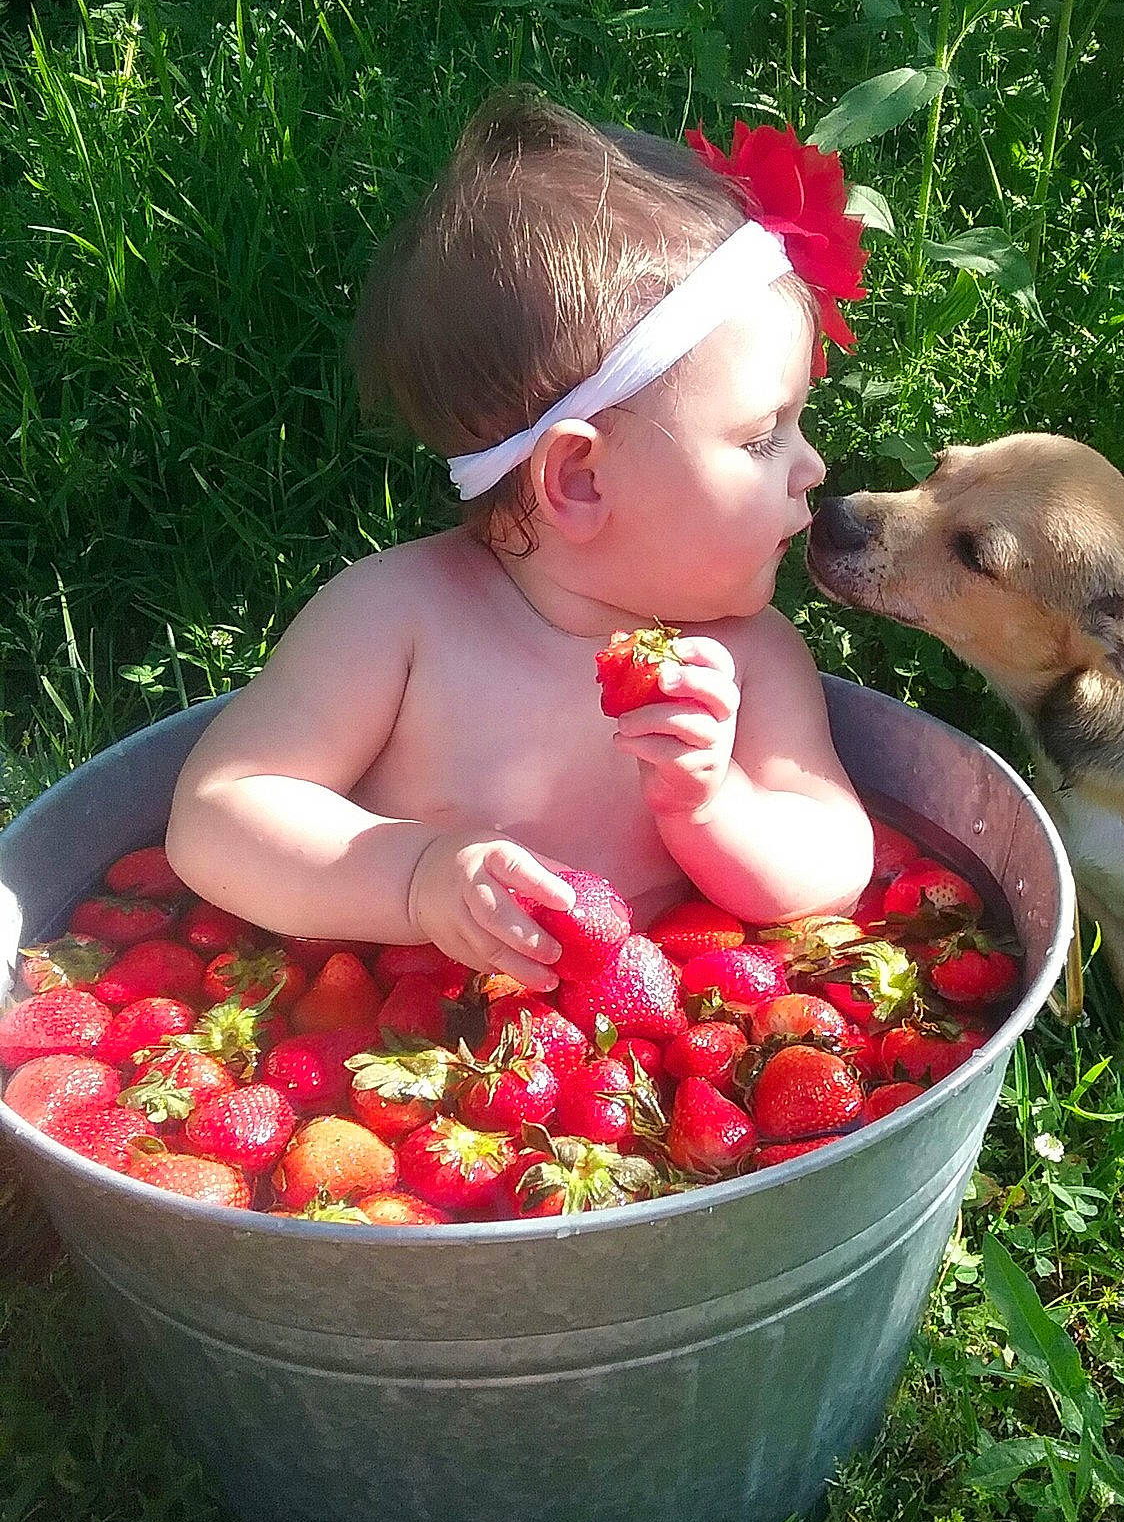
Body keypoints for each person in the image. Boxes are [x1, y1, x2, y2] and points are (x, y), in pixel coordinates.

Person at [165, 90, 875, 994]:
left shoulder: (747, 658)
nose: (811, 465)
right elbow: (218, 816)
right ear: (579, 480)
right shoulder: (398, 621)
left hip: (648, 1053)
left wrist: (712, 805)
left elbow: (834, 867)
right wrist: (415, 879)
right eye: (761, 437)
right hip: (397, 1040)